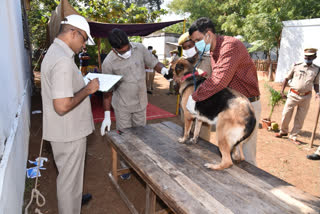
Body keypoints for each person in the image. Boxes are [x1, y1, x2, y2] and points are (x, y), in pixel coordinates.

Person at [41, 14, 99, 214]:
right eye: (84, 39)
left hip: (63, 131)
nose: (84, 46)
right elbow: (62, 105)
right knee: (68, 182)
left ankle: (73, 201)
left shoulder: (56, 52)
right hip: (69, 132)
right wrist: (88, 90)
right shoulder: (63, 61)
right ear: (73, 33)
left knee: (69, 179)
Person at [186, 17, 261, 165]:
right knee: (230, 150)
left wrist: (194, 98)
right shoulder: (214, 51)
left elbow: (219, 80)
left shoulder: (230, 46)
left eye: (197, 40)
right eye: (194, 42)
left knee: (247, 154)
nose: (196, 45)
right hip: (230, 107)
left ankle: (250, 186)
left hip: (246, 107)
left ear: (208, 34)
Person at [100, 28, 169, 134]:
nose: (127, 52)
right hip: (122, 107)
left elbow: (154, 63)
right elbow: (107, 92)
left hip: (141, 103)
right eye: (122, 52)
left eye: (128, 49)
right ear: (114, 49)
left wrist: (164, 70)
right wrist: (107, 115)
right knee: (125, 138)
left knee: (141, 135)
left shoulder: (139, 48)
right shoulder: (108, 63)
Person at [276, 48, 320, 144]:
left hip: (306, 97)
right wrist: (282, 91)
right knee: (286, 114)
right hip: (293, 94)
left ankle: (293, 136)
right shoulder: (296, 66)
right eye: (306, 56)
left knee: (300, 118)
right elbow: (286, 78)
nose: (307, 57)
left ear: (314, 57)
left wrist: (317, 93)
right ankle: (283, 131)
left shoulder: (317, 69)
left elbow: (316, 83)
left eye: (310, 56)